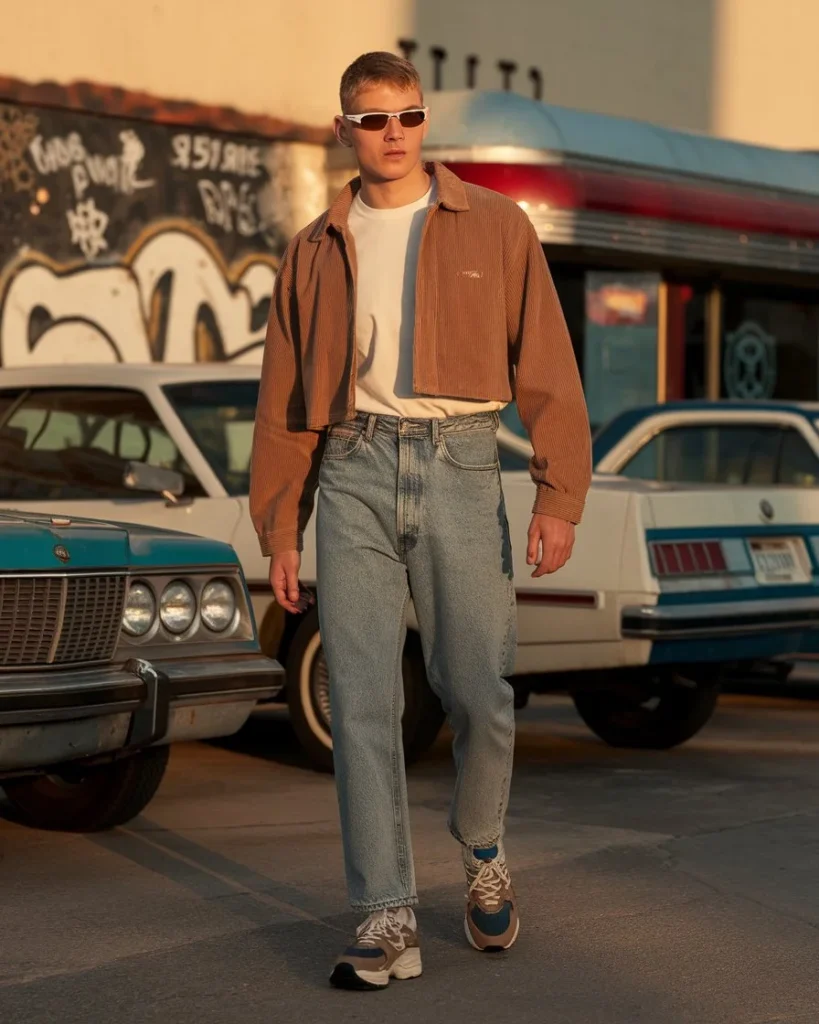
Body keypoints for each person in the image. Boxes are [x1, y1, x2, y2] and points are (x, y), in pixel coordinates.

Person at [250, 50, 591, 990]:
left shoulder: (493, 224)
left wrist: (558, 496)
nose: (391, 134)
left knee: (478, 685)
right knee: (361, 699)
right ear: (344, 129)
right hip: (352, 466)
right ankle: (386, 912)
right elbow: (284, 397)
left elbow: (550, 371)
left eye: (405, 117)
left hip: (461, 463)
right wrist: (281, 525)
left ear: (422, 120)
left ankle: (481, 849)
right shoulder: (315, 245)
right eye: (371, 119)